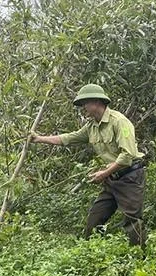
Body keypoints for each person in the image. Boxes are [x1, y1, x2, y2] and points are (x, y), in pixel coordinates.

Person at [31, 84, 146, 247]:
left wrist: (103, 174)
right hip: (111, 180)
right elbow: (69, 138)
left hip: (130, 177)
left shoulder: (119, 122)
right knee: (95, 219)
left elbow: (127, 156)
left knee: (132, 219)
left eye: (85, 103)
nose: (83, 108)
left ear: (96, 102)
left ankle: (140, 259)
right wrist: (39, 139)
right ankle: (92, 255)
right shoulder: (91, 126)